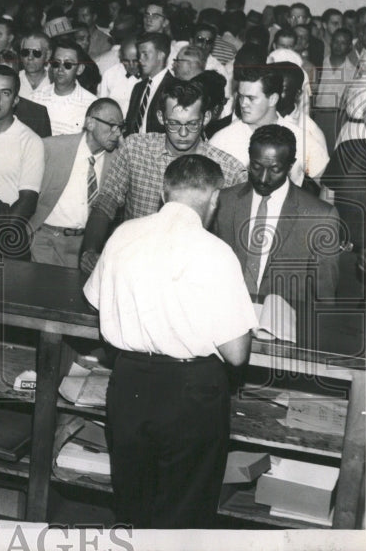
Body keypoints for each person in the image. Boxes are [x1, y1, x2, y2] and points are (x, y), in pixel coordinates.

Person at [83, 154, 257, 528]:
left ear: (164, 193)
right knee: (184, 512)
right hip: (190, 393)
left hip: (128, 385)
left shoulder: (123, 234)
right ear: (215, 199)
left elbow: (96, 301)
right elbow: (237, 353)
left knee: (132, 503)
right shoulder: (216, 253)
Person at [80, 80, 248, 273]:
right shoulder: (135, 148)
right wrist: (90, 250)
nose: (183, 133)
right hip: (135, 264)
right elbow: (106, 202)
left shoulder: (230, 170)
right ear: (161, 117)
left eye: (192, 124)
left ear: (206, 117)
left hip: (191, 271)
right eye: (174, 124)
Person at [213, 125, 340, 315]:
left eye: (275, 169)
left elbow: (324, 298)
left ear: (290, 165)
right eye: (256, 167)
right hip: (227, 318)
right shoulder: (222, 202)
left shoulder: (320, 216)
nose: (263, 178)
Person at [30, 99, 124, 267]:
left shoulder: (117, 159)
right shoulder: (52, 147)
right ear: (90, 123)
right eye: (112, 125)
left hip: (85, 247)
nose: (117, 134)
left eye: (120, 127)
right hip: (46, 241)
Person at [209, 65, 325, 184]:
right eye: (241, 97)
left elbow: (329, 186)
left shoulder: (301, 138)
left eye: (251, 98)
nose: (243, 104)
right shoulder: (221, 141)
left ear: (273, 99)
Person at [0, 66, 45, 243]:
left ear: (15, 100)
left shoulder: (30, 141)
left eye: (5, 93)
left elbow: (28, 201)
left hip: (3, 238)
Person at [41, 37, 97, 135]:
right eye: (56, 63)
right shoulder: (35, 97)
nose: (60, 69)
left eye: (68, 64)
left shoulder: (92, 105)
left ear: (79, 69)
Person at [124, 32, 174, 136]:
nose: (140, 60)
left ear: (161, 55)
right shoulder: (139, 87)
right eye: (140, 55)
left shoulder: (174, 87)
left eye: (145, 54)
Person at [97, 38, 141, 115]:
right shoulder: (110, 74)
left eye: (135, 61)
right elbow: (101, 104)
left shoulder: (150, 74)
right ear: (120, 58)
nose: (131, 65)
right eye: (126, 61)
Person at [17, 30, 54, 102]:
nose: (30, 57)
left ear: (48, 55)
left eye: (36, 53)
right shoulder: (14, 80)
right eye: (25, 52)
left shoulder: (55, 82)